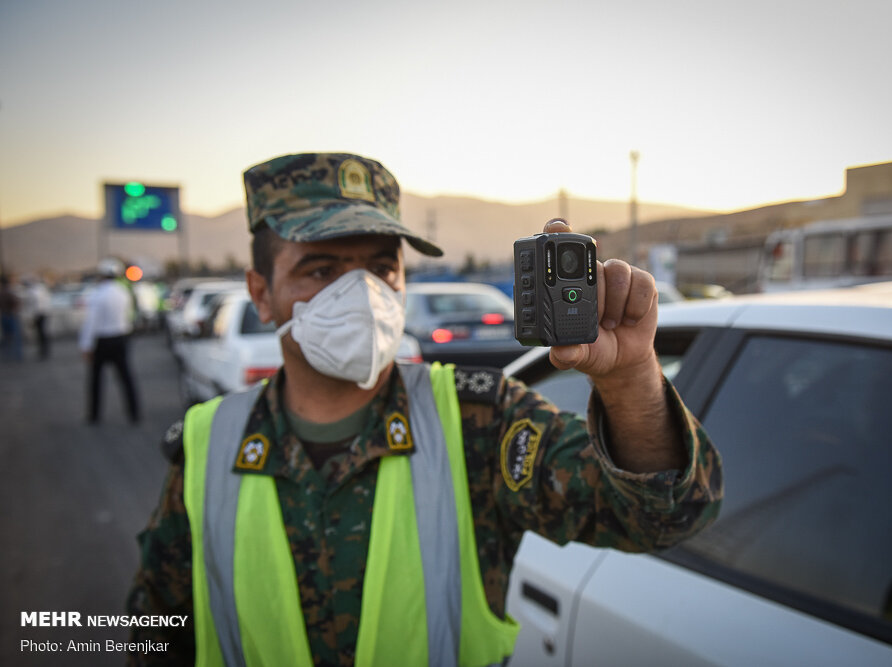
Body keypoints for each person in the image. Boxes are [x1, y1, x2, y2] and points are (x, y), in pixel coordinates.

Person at [126, 153, 723, 666]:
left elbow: (664, 514)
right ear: (261, 293)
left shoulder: (476, 422)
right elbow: (156, 631)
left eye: (383, 266)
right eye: (322, 268)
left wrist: (630, 381)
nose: (362, 292)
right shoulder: (209, 443)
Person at [79, 258, 141, 424]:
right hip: (121, 339)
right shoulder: (123, 292)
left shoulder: (97, 294)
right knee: (126, 378)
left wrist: (86, 346)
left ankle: (94, 416)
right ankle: (134, 413)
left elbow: (91, 322)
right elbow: (129, 316)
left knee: (96, 380)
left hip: (102, 341)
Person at [22, 276, 52, 360]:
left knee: (41, 334)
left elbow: (35, 304)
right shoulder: (41, 289)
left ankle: (43, 352)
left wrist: (32, 316)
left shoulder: (34, 290)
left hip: (39, 314)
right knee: (42, 334)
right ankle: (43, 351)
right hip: (42, 314)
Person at [0, 274, 24, 362]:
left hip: (6, 315)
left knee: (8, 337)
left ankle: (9, 355)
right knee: (15, 337)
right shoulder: (10, 292)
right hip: (11, 316)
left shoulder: (4, 292)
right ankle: (16, 355)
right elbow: (18, 302)